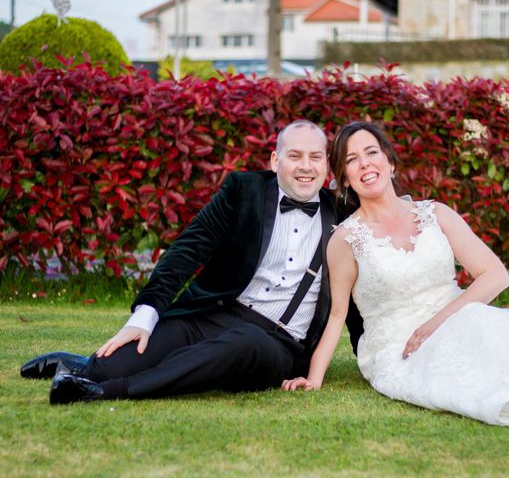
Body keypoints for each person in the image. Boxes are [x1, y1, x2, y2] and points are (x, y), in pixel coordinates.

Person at [282, 121, 509, 426]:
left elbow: (494, 275)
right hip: (397, 346)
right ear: (344, 177)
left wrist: (438, 322)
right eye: (351, 160)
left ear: (389, 162)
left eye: (371, 152)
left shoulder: (435, 214)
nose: (364, 164)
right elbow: (338, 315)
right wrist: (314, 379)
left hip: (458, 317)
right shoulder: (345, 240)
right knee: (487, 367)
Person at [21, 120, 358, 404]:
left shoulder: (344, 218)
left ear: (327, 165)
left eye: (315, 157)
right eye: (294, 155)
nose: (305, 166)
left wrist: (377, 356)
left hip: (275, 342)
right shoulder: (244, 191)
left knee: (243, 343)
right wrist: (145, 316)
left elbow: (362, 297)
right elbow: (187, 250)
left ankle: (106, 391)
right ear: (274, 160)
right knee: (115, 361)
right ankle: (86, 368)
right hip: (216, 314)